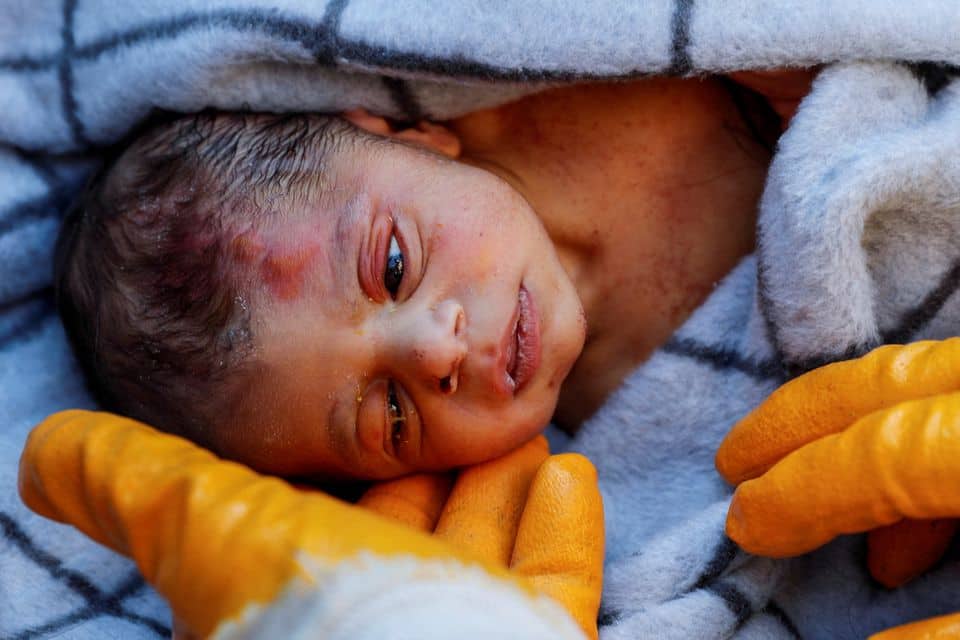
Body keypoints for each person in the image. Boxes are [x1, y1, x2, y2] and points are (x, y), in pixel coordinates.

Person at [54, 72, 810, 480]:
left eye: (391, 265)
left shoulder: (553, 84)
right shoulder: (618, 444)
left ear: (413, 136)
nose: (434, 354)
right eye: (389, 418)